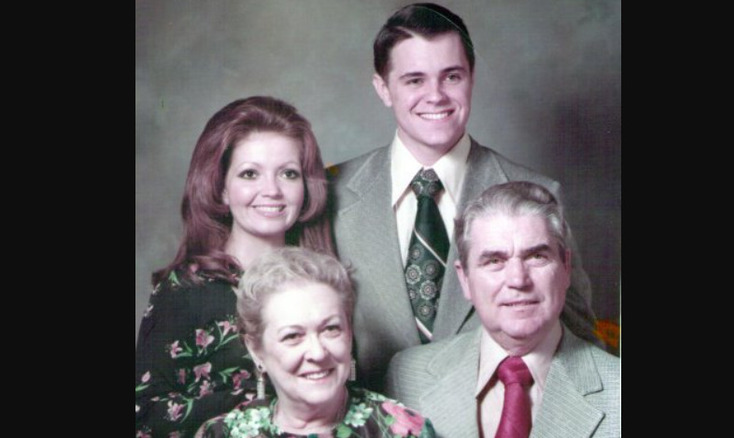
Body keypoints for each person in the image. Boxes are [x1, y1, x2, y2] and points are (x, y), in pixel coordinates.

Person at [327, 2, 600, 391]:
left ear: (471, 78)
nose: (435, 95)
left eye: (451, 76)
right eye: (414, 80)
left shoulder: (539, 196)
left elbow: (578, 344)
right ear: (383, 88)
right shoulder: (330, 194)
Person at [135, 95, 334, 437]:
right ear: (221, 189)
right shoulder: (186, 291)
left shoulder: (325, 282)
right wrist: (259, 405)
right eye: (249, 174)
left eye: (288, 173)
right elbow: (144, 413)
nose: (271, 190)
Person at [385, 181, 620, 438]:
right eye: (495, 261)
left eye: (536, 257)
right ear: (464, 279)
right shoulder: (406, 376)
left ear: (565, 267)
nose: (518, 280)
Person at [195, 247, 436, 438]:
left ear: (350, 333)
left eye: (331, 329)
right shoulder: (220, 434)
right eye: (293, 336)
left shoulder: (403, 431)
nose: (318, 353)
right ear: (256, 350)